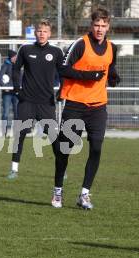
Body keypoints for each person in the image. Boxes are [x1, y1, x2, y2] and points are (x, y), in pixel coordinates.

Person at [52, 8, 120, 209]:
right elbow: (62, 68)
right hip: (75, 104)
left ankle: (84, 194)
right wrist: (89, 76)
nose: (100, 29)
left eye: (103, 26)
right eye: (97, 25)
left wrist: (114, 77)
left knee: (97, 147)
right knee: (65, 149)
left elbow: (109, 68)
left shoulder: (111, 47)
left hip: (98, 106)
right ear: (91, 25)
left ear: (108, 27)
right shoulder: (80, 44)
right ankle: (57, 190)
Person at [7, 19, 64, 180]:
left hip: (46, 102)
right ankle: (14, 169)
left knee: (53, 135)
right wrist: (17, 89)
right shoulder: (25, 49)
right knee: (20, 134)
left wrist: (62, 90)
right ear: (35, 32)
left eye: (45, 31)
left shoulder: (56, 52)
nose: (41, 34)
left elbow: (63, 74)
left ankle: (62, 169)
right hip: (27, 101)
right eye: (39, 31)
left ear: (49, 34)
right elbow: (16, 69)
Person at [0, 49, 18, 137]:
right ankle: (4, 132)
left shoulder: (19, 66)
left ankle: (17, 132)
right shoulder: (6, 65)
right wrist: (4, 87)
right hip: (7, 94)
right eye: (15, 57)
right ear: (11, 57)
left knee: (17, 113)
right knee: (5, 113)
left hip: (16, 93)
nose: (16, 58)